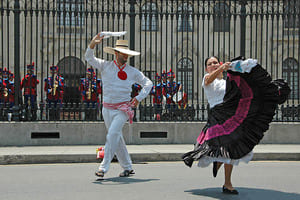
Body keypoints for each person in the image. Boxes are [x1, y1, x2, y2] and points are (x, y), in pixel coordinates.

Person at [182, 56, 290, 195]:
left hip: (231, 115)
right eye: (210, 64)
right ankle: (218, 161)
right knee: (219, 147)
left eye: (215, 62)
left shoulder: (227, 82)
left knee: (232, 148)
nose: (213, 65)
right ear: (206, 68)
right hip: (217, 118)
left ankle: (227, 183)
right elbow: (209, 80)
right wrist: (221, 68)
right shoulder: (207, 79)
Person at [85, 33, 153, 178]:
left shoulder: (132, 71)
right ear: (116, 53)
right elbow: (88, 58)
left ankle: (103, 168)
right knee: (116, 137)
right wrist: (92, 44)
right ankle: (127, 167)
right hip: (106, 108)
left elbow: (148, 83)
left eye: (127, 53)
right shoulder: (105, 66)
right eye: (123, 53)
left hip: (122, 109)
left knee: (112, 135)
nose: (126, 56)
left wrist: (139, 97)